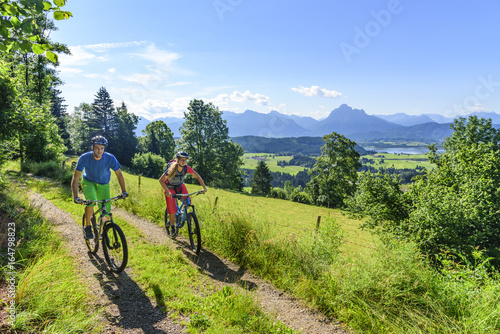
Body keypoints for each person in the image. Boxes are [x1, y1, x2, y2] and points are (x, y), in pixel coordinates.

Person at [72, 135, 128, 239]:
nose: (100, 151)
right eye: (97, 148)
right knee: (91, 202)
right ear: (92, 147)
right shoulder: (84, 158)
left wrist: (124, 191)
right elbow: (75, 178)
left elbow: (119, 175)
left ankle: (103, 232)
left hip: (103, 184)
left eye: (102, 148)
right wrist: (75, 196)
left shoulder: (110, 158)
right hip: (88, 182)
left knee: (106, 209)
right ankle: (87, 226)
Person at [159, 151, 207, 235]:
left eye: (185, 160)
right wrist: (167, 192)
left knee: (188, 202)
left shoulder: (186, 168)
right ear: (177, 160)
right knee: (172, 209)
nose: (184, 162)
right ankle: (172, 227)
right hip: (170, 187)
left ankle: (182, 213)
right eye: (182, 160)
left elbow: (197, 176)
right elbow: (161, 180)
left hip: (180, 186)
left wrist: (204, 187)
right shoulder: (172, 169)